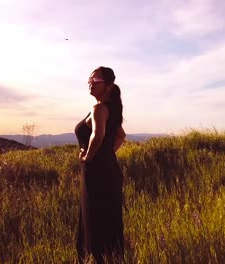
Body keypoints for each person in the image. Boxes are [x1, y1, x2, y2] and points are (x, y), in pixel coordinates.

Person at [74, 66, 126, 263]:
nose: (91, 83)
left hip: (96, 171)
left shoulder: (98, 109)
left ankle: (95, 259)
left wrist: (88, 156)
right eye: (89, 79)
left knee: (94, 217)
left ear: (108, 86)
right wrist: (106, 153)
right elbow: (121, 136)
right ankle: (111, 258)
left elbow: (98, 135)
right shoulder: (109, 109)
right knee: (107, 217)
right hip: (109, 169)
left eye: (96, 80)